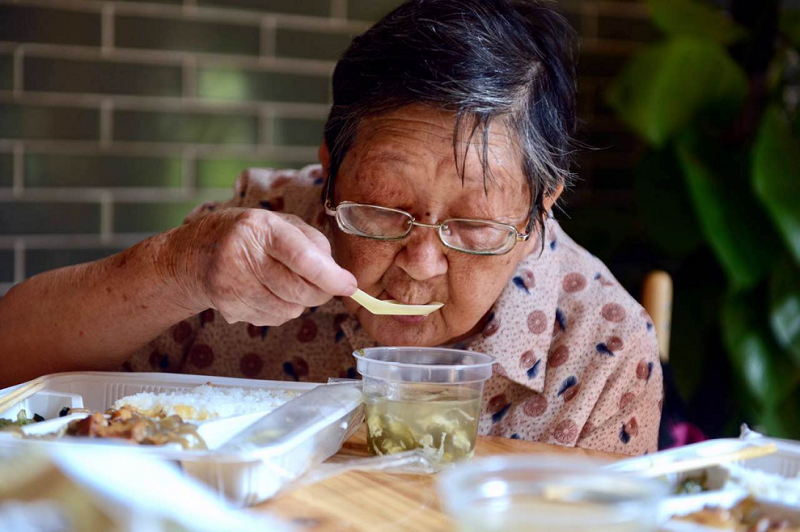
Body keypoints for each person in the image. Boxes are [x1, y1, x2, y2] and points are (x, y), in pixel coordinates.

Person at [0, 0, 662, 455]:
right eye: (383, 210)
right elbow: (11, 365)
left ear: (543, 204)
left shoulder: (604, 348)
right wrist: (179, 264)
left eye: (474, 225)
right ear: (328, 169)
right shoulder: (250, 241)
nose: (421, 262)